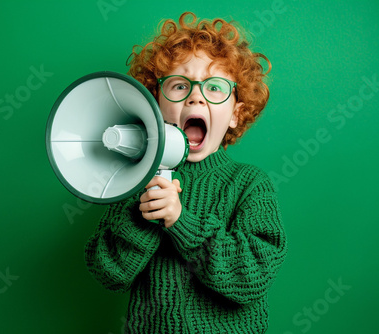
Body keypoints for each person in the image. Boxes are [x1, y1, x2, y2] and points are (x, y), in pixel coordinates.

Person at [85, 11, 287, 333]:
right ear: (155, 104)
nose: (196, 96)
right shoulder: (135, 179)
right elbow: (109, 272)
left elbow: (252, 276)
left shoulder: (249, 184)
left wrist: (181, 221)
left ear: (236, 113)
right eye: (179, 86)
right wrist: (144, 213)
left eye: (215, 87)